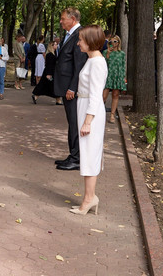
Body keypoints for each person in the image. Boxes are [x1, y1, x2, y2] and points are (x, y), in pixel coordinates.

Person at [69, 25, 108, 215]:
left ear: (91, 41)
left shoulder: (97, 63)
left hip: (90, 110)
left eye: (81, 40)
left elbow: (95, 95)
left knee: (90, 153)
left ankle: (89, 199)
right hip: (84, 107)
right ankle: (89, 197)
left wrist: (87, 121)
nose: (78, 43)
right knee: (87, 152)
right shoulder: (92, 60)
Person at [54, 7, 88, 171]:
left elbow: (79, 65)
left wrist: (72, 88)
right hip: (66, 85)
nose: (61, 21)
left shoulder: (79, 35)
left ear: (72, 19)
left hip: (71, 88)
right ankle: (73, 154)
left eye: (63, 18)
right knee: (71, 122)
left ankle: (76, 158)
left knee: (74, 122)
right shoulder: (69, 35)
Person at [101, 36, 126, 123]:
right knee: (103, 96)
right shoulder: (105, 52)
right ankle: (98, 113)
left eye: (115, 41)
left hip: (117, 76)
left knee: (115, 95)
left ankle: (112, 114)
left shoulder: (122, 53)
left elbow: (123, 66)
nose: (113, 43)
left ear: (118, 43)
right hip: (108, 76)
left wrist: (123, 78)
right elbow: (103, 65)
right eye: (111, 42)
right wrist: (108, 53)